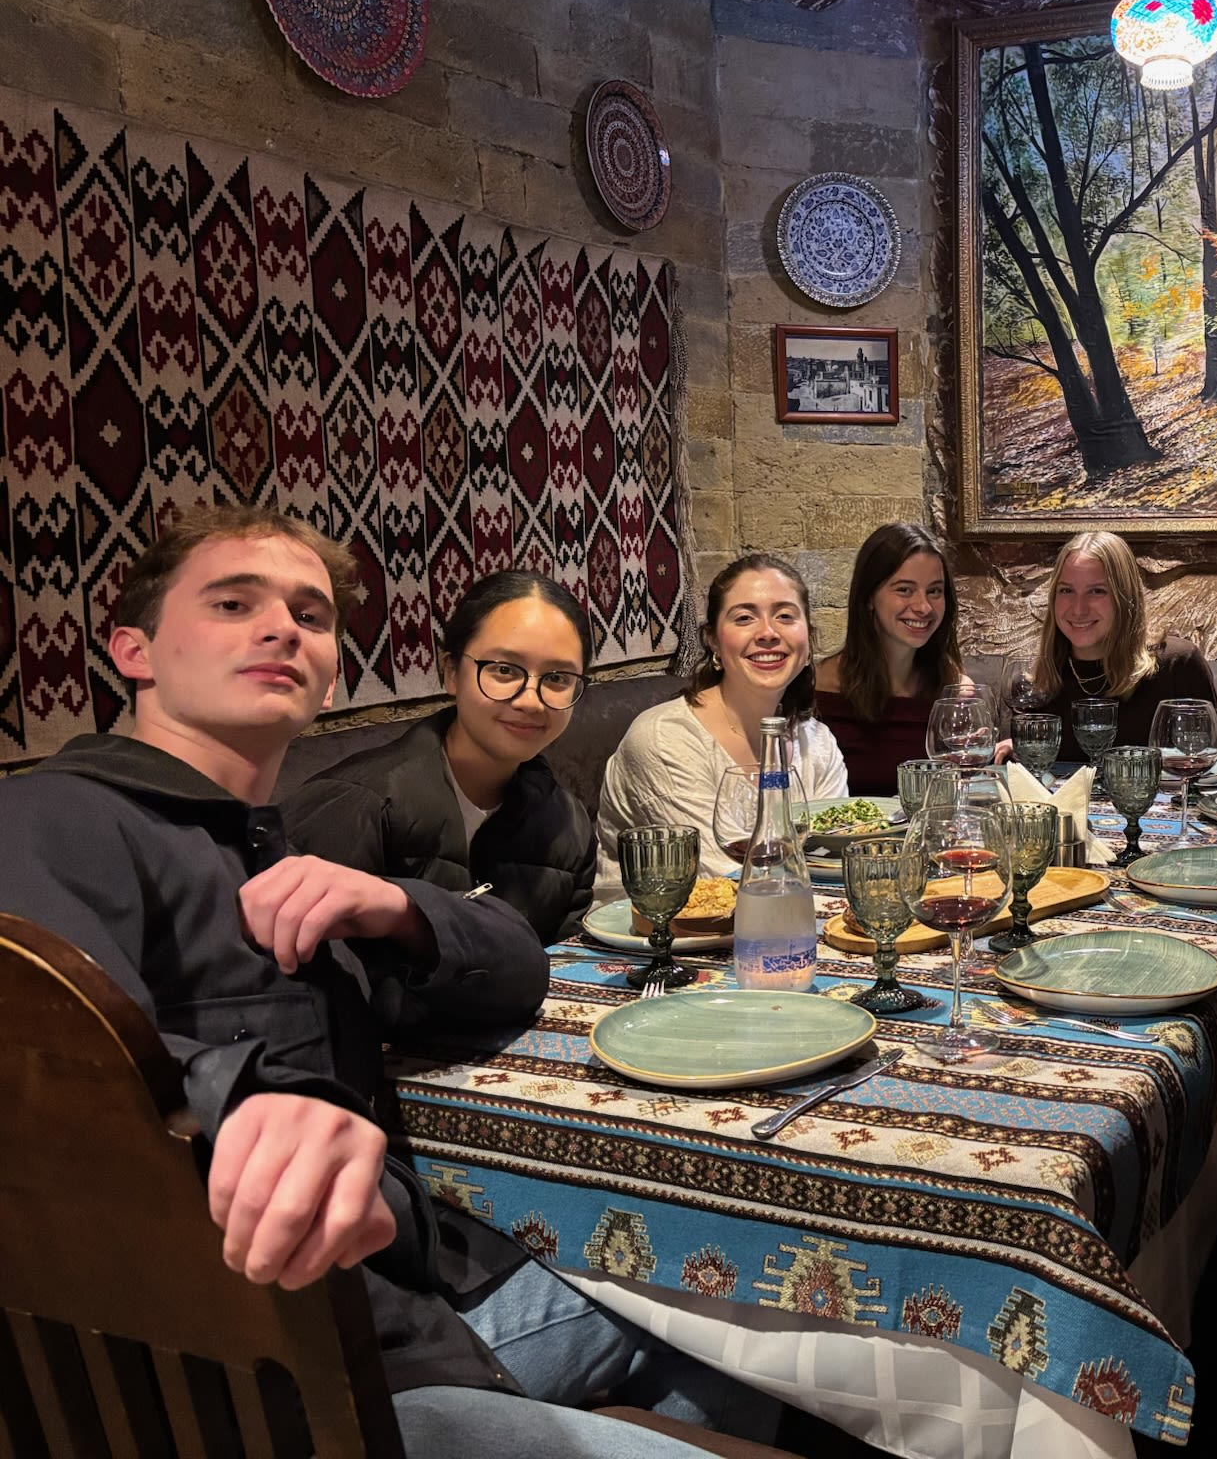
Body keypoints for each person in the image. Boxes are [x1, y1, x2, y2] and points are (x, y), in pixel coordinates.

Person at [0, 506, 774, 1459]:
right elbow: (37, 1050)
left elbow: (516, 974)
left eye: (311, 616)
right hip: (282, 1373)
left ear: (330, 673)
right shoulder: (52, 819)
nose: (283, 627)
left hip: (422, 1305)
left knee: (737, 1318)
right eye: (233, 603)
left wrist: (397, 907)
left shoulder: (270, 844)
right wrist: (230, 1101)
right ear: (135, 650)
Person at [284, 570, 598, 944]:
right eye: (503, 670)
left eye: (558, 678)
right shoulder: (356, 806)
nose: (530, 699)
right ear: (450, 672)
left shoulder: (568, 826)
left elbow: (569, 970)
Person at [598, 553, 847, 884]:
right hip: (660, 931)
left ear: (807, 639)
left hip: (798, 919)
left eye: (785, 616)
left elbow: (834, 859)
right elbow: (720, 876)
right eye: (744, 618)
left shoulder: (815, 742)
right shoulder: (665, 740)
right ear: (713, 639)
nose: (768, 632)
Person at [1031, 530, 1217, 763]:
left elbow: (1210, 768)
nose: (1078, 609)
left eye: (1096, 591)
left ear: (1124, 596)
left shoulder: (1177, 665)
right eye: (1066, 590)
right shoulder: (1040, 681)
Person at [813, 522, 967, 795]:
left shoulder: (952, 687)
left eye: (934, 591)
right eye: (904, 590)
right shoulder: (818, 689)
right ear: (869, 597)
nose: (923, 607)